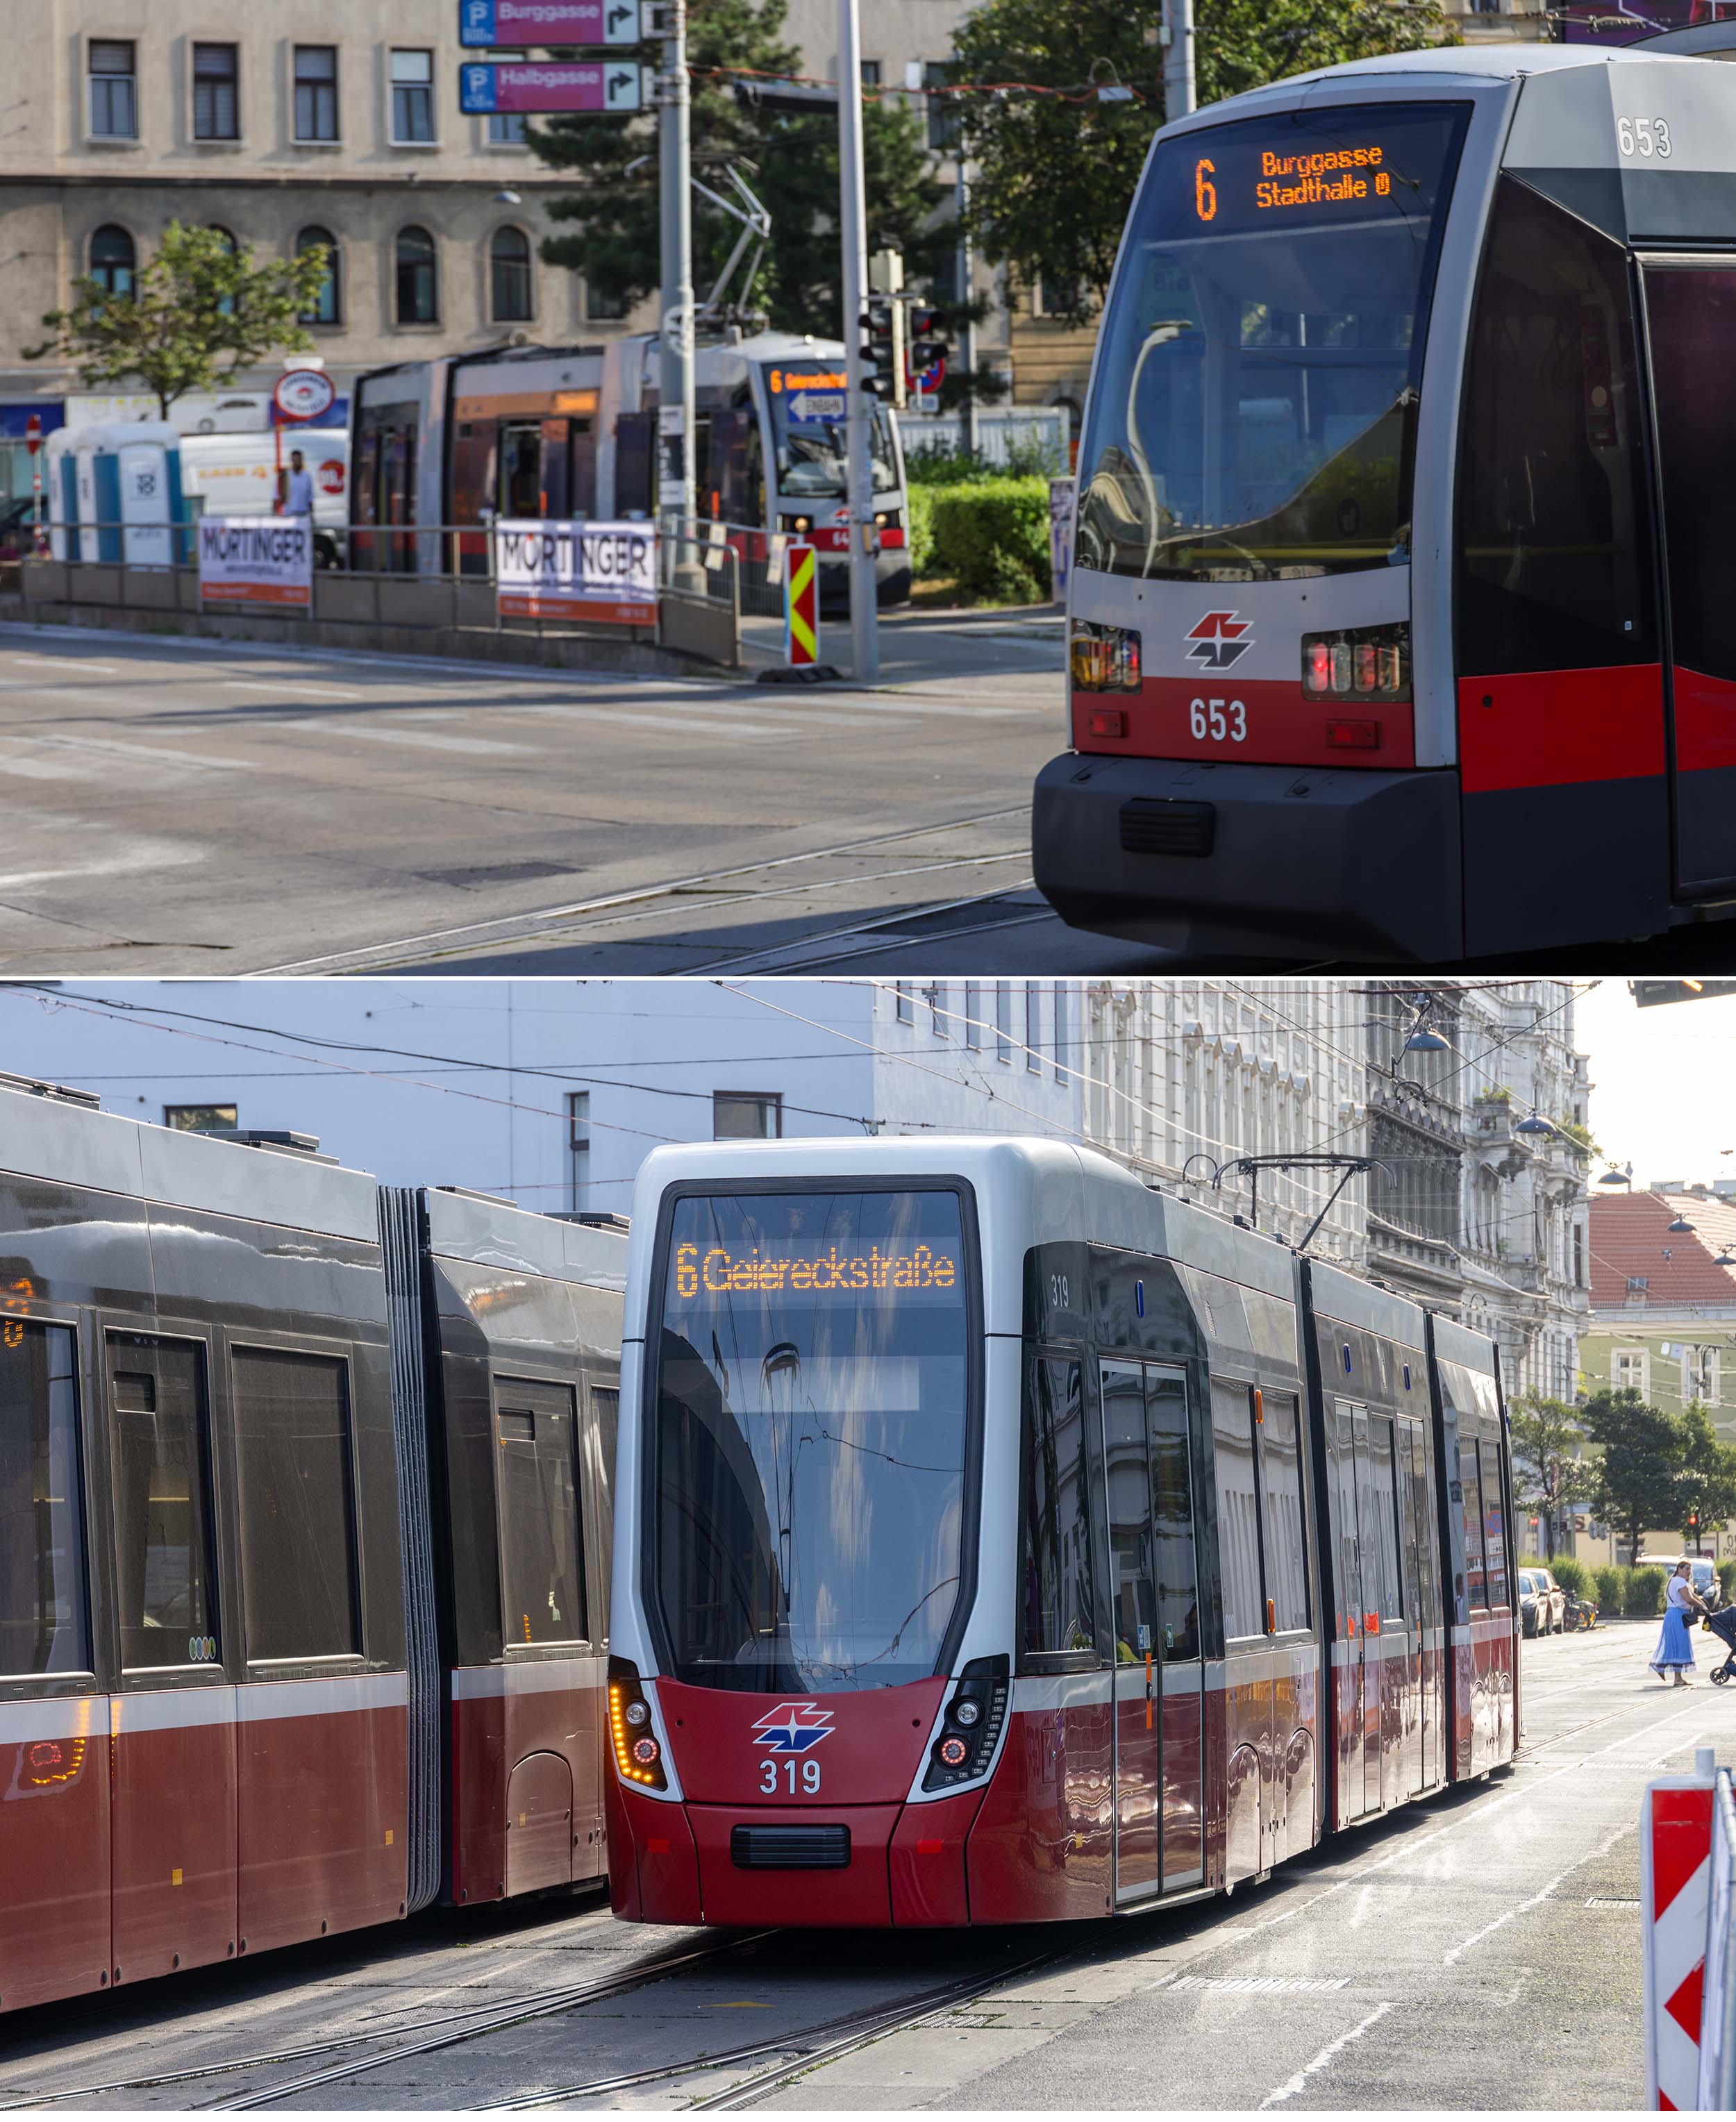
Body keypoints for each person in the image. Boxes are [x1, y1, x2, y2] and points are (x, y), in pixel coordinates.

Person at [1651, 1561, 1707, 1686]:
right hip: (1677, 1616)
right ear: (1679, 1569)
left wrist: (1703, 1604)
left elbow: (1692, 1595)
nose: (1689, 1572)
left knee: (1675, 1645)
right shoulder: (1680, 1582)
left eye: (1690, 1569)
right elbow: (1689, 1599)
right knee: (1680, 1645)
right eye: (1687, 1569)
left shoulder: (1676, 1581)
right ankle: (1672, 1674)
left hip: (1675, 1615)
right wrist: (1702, 1607)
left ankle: (1668, 1671)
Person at [279, 449, 315, 519]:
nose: (298, 462)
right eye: (296, 459)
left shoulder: (307, 476)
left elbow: (310, 497)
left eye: (299, 459)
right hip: (289, 514)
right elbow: (278, 496)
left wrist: (312, 515)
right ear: (292, 460)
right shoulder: (286, 476)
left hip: (304, 513)